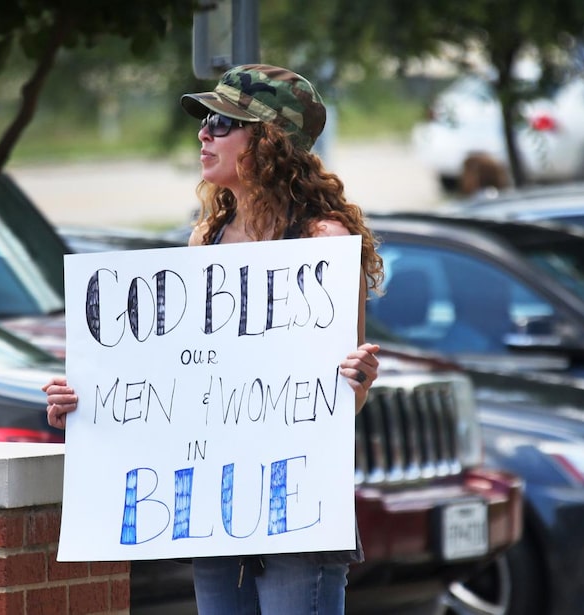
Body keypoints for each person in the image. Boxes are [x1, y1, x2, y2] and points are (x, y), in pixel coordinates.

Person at [43, 63, 384, 615]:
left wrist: (357, 381)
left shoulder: (323, 239)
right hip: (215, 508)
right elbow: (179, 377)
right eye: (205, 120)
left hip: (293, 504)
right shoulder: (208, 238)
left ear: (270, 141)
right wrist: (89, 400)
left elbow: (343, 402)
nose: (204, 133)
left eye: (224, 123)